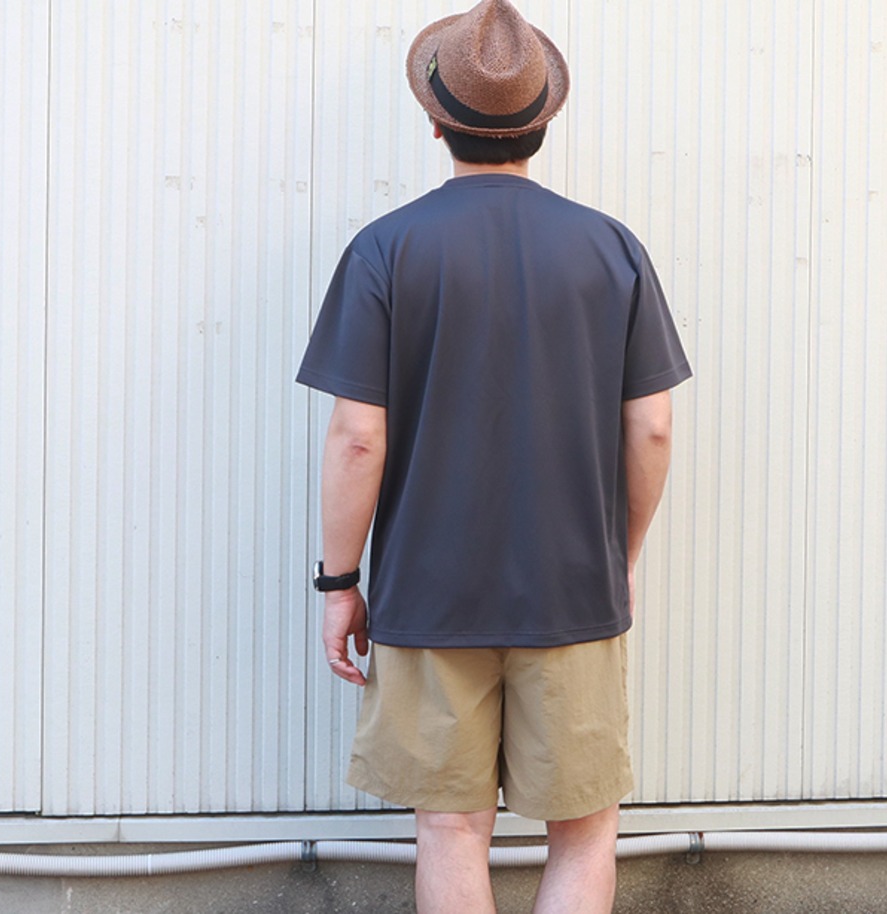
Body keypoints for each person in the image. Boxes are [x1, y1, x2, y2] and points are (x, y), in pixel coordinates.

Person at [296, 1, 692, 910]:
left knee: (451, 827)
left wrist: (339, 583)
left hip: (430, 597)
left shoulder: (387, 250)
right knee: (584, 829)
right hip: (573, 589)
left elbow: (358, 436)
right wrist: (622, 558)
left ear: (436, 122)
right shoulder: (610, 249)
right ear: (542, 122)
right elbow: (653, 428)